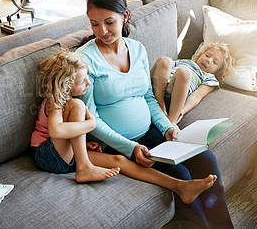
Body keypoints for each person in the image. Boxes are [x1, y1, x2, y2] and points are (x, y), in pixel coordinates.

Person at [76, 0, 233, 228]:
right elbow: (91, 117)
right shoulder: (84, 59)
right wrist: (130, 147)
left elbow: (148, 97)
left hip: (151, 131)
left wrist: (167, 127)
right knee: (181, 176)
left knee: (206, 158)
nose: (102, 31)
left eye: (109, 22)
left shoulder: (137, 49)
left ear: (124, 16)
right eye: (94, 24)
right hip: (115, 143)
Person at [31, 50, 217, 205]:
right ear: (66, 84)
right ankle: (84, 167)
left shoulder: (72, 101)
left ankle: (180, 187)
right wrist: (91, 124)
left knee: (120, 160)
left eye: (87, 77)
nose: (88, 83)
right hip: (47, 155)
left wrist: (84, 144)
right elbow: (56, 132)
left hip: (65, 152)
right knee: (79, 106)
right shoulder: (56, 101)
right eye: (82, 81)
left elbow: (68, 133)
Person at [151, 42, 237, 125]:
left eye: (215, 62)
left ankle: (171, 121)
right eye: (207, 55)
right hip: (159, 87)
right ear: (200, 55)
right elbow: (163, 68)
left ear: (217, 71)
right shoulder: (185, 61)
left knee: (184, 73)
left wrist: (183, 110)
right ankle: (161, 106)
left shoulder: (209, 77)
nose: (208, 60)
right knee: (165, 60)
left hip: (174, 94)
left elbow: (197, 96)